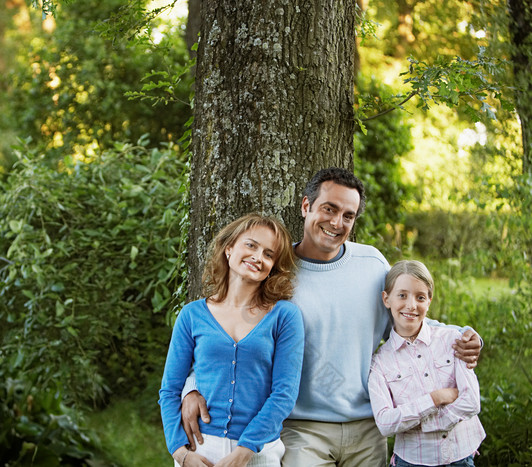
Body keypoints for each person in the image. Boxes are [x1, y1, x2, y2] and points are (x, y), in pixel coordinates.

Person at [181, 168, 482, 466]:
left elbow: (408, 320)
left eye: (348, 215)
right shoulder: (276, 273)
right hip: (300, 428)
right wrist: (191, 386)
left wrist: (462, 335)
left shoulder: (372, 265)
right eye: (329, 209)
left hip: (367, 424)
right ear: (305, 206)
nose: (337, 222)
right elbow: (234, 337)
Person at [159, 214, 305, 467]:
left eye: (269, 254)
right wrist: (180, 453)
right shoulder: (192, 315)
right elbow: (169, 390)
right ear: (229, 249)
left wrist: (246, 449)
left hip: (259, 452)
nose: (258, 257)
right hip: (200, 449)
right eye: (251, 245)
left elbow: (284, 393)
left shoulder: (285, 316)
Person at [369, 260, 485, 467]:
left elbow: (472, 401)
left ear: (429, 301)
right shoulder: (380, 362)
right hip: (414, 460)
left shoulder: (451, 340)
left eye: (420, 297)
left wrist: (432, 423)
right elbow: (386, 422)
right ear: (386, 299)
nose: (411, 305)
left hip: (461, 455)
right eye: (402, 295)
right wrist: (435, 399)